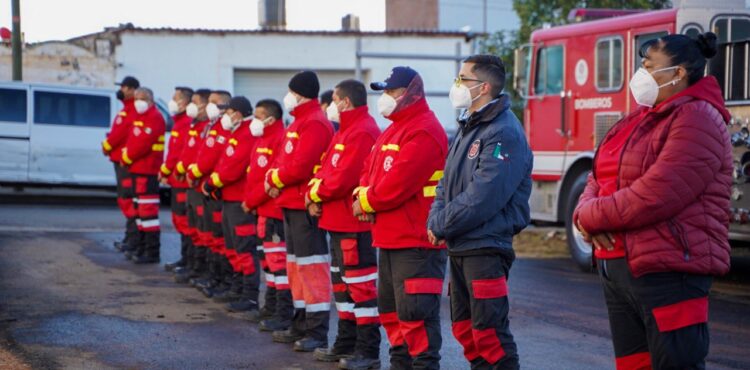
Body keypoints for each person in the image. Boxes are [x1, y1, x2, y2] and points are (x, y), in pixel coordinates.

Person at [574, 32, 732, 370]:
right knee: (634, 364)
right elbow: (597, 176)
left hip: (669, 273)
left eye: (649, 66)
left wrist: (591, 217)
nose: (640, 74)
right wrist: (583, 214)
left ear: (678, 73)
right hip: (620, 267)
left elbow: (656, 194)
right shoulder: (639, 117)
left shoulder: (698, 118)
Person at [427, 55, 532, 370]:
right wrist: (436, 220)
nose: (456, 85)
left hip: (485, 246)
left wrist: (441, 224)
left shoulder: (503, 132)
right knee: (465, 328)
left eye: (463, 79)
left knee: (490, 333)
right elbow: (445, 183)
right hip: (461, 243)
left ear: (484, 87)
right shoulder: (468, 125)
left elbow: (484, 195)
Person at [354, 66, 448, 369]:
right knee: (393, 316)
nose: (385, 98)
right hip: (391, 239)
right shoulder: (393, 128)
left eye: (391, 91)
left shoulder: (423, 130)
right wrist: (362, 197)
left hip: (416, 242)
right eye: (384, 91)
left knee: (416, 319)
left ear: (411, 93)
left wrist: (365, 202)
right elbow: (369, 168)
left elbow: (398, 182)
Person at [307, 80, 381, 369]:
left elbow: (343, 178)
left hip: (354, 224)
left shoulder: (362, 131)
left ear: (345, 102)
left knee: (360, 288)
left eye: (334, 100)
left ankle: (367, 350)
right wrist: (312, 194)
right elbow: (325, 170)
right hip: (336, 221)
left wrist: (313, 194)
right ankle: (346, 343)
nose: (330, 106)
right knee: (342, 287)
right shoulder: (345, 131)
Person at [265, 70, 334, 352]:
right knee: (296, 268)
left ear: (300, 93)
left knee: (312, 268)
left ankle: (316, 331)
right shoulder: (299, 122)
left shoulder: (315, 123)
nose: (288, 96)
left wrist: (275, 179)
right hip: (290, 203)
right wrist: (273, 178)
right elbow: (283, 159)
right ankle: (301, 321)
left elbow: (300, 166)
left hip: (303, 206)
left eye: (291, 91)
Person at [202, 96, 260, 316]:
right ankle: (237, 289)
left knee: (244, 248)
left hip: (240, 201)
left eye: (229, 112)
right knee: (232, 247)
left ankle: (249, 295)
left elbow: (234, 167)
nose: (225, 116)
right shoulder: (236, 133)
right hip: (229, 198)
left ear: (238, 113)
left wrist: (212, 182)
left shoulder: (246, 134)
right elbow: (223, 162)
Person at [240, 99, 291, 329]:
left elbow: (271, 180)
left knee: (278, 264)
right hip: (261, 211)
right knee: (268, 263)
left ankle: (282, 313)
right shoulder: (261, 139)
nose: (254, 120)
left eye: (259, 115)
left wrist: (251, 201)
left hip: (273, 211)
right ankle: (270, 308)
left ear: (271, 118)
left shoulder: (279, 138)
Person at [187, 90, 235, 299]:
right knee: (209, 236)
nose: (209, 106)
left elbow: (211, 159)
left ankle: (223, 281)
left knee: (218, 238)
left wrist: (194, 172)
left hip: (215, 191)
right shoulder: (213, 126)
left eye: (214, 103)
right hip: (205, 188)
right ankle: (213, 276)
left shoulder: (224, 129)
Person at [120, 87, 166, 264]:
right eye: (136, 98)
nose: (138, 101)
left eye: (142, 98)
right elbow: (132, 140)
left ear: (151, 100)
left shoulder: (154, 117)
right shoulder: (140, 117)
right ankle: (141, 247)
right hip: (137, 170)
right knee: (139, 212)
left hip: (148, 172)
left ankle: (152, 251)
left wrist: (126, 156)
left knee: (148, 214)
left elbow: (143, 144)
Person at [173, 88, 212, 283]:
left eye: (195, 102)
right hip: (189, 181)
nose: (191, 107)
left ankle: (199, 268)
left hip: (198, 184)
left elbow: (201, 156)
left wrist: (189, 171)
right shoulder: (195, 125)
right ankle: (190, 263)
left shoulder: (207, 127)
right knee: (191, 226)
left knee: (202, 230)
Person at [102, 76, 139, 252]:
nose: (121, 90)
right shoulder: (126, 109)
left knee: (128, 199)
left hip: (126, 163)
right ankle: (130, 236)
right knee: (125, 199)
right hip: (120, 161)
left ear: (132, 90)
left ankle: (133, 239)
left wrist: (107, 145)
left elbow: (121, 133)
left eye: (124, 87)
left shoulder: (132, 110)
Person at [162, 86, 195, 272]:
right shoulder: (179, 122)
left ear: (185, 103)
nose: (172, 102)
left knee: (185, 221)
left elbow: (180, 155)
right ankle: (185, 258)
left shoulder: (186, 124)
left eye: (176, 98)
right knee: (179, 220)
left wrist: (167, 171)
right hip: (176, 180)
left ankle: (189, 261)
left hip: (183, 181)